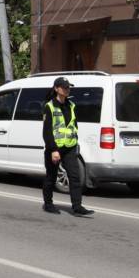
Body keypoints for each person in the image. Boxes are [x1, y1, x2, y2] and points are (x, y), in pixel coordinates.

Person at [41, 77, 94, 217]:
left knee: (75, 177)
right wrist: (53, 150)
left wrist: (75, 142)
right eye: (64, 87)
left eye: (68, 87)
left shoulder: (71, 105)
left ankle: (77, 207)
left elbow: (73, 126)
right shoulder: (50, 106)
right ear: (57, 89)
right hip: (55, 148)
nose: (67, 89)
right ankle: (48, 204)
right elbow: (47, 132)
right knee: (51, 177)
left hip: (69, 147)